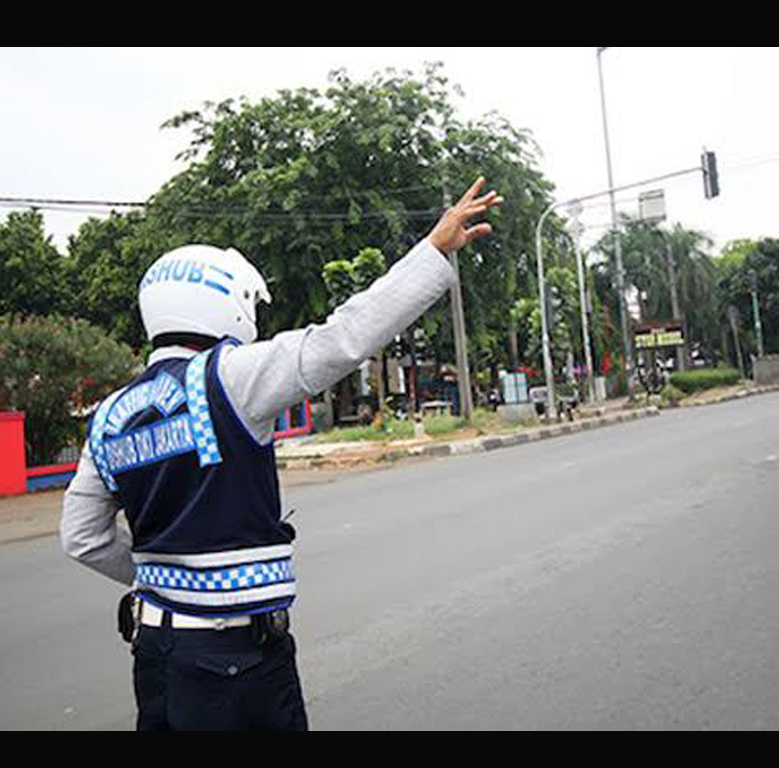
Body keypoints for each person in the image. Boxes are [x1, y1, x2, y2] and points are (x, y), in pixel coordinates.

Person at [60, 178, 502, 731]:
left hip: (156, 654)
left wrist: (160, 575)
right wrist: (432, 250)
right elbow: (341, 340)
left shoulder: (109, 415)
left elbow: (81, 537)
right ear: (223, 303)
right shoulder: (230, 377)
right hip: (235, 663)